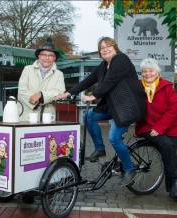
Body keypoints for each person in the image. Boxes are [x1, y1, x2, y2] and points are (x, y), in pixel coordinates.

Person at [54, 37, 146, 186]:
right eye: (101, 47)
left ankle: (129, 170)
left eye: (108, 46)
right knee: (89, 116)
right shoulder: (104, 66)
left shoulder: (121, 59)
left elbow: (110, 81)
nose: (104, 49)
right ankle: (100, 148)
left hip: (128, 106)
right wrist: (69, 93)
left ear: (115, 47)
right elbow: (88, 80)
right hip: (114, 107)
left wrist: (94, 96)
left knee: (114, 137)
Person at [135, 58, 177, 202]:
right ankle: (176, 182)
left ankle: (173, 189)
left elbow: (173, 110)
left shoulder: (167, 87)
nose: (147, 73)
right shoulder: (138, 87)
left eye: (151, 70)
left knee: (169, 154)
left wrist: (160, 127)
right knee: (167, 146)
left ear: (158, 72)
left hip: (170, 129)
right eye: (144, 71)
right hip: (146, 128)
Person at [18, 38, 65, 121]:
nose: (47, 58)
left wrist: (41, 95)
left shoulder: (59, 74)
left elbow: (59, 92)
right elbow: (22, 91)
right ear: (39, 56)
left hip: (47, 117)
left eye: (50, 55)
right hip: (26, 116)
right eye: (44, 55)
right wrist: (37, 102)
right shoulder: (27, 69)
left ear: (54, 58)